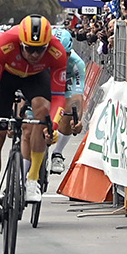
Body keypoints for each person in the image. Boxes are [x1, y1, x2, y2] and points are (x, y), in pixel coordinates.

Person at [0, 15, 68, 232]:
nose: (35, 54)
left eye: (40, 49)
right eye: (30, 48)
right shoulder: (5, 44)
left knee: (42, 113)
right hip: (6, 78)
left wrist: (52, 126)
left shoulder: (56, 52)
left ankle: (32, 179)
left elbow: (58, 97)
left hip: (36, 79)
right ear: (20, 43)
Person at [50, 27, 87, 174]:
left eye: (62, 55)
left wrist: (77, 119)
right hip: (43, 82)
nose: (57, 58)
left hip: (64, 87)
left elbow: (77, 97)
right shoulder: (38, 56)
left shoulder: (76, 64)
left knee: (69, 112)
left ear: (69, 53)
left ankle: (57, 152)